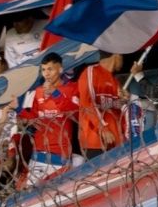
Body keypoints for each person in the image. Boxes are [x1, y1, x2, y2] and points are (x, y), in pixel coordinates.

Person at [16, 53, 80, 186]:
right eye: (43, 70)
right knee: (30, 198)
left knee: (56, 196)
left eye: (50, 69)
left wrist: (55, 93)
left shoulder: (71, 88)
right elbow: (34, 118)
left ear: (60, 69)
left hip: (60, 154)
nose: (46, 73)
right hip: (38, 152)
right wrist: (18, 110)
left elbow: (74, 113)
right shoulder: (38, 91)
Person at [78, 52, 126, 158]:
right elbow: (88, 103)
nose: (123, 61)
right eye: (122, 56)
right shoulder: (91, 72)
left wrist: (124, 101)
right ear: (116, 55)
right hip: (95, 141)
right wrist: (103, 128)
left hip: (115, 142)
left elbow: (113, 108)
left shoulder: (114, 81)